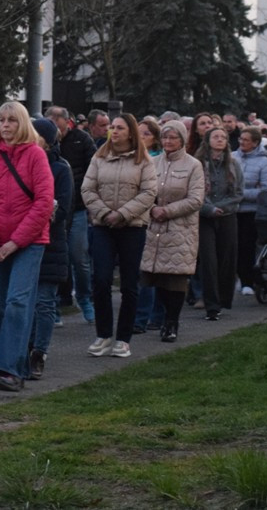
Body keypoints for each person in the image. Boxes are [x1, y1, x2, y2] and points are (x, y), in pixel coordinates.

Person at [0, 103, 53, 391]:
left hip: (29, 242)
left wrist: (15, 241)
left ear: (22, 124)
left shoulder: (36, 156)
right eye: (1, 121)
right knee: (1, 307)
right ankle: (15, 366)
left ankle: (7, 369)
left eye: (11, 121)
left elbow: (43, 202)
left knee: (18, 301)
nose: (5, 126)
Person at [81, 113, 157, 358]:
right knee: (101, 279)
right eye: (112, 127)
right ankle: (103, 334)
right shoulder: (99, 156)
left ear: (130, 131)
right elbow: (87, 188)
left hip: (132, 227)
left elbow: (148, 192)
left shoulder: (143, 161)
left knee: (128, 284)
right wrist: (104, 213)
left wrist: (123, 214)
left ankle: (123, 338)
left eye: (120, 127)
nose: (114, 131)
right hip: (103, 226)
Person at [139, 120, 205, 341]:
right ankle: (158, 318)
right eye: (165, 137)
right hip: (153, 228)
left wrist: (167, 211)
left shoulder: (193, 165)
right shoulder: (152, 162)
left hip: (180, 229)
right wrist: (152, 208)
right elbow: (142, 191)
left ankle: (172, 321)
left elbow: (196, 199)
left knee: (174, 279)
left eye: (173, 138)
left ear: (182, 140)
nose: (167, 142)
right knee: (156, 275)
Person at [27, 117, 72, 382]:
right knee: (26, 301)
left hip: (50, 243)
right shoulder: (22, 162)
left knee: (44, 302)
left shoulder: (60, 168)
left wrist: (36, 213)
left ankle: (38, 353)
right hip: (23, 242)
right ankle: (24, 346)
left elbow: (62, 210)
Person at [46, 106, 96, 323]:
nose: (55, 128)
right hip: (53, 211)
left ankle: (85, 297)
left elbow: (93, 170)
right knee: (56, 258)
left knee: (79, 257)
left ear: (67, 122)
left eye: (57, 123)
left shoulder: (82, 140)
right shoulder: (45, 146)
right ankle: (54, 304)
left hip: (76, 208)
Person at [196, 127, 243, 320]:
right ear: (208, 140)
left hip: (227, 216)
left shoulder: (233, 164)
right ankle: (212, 306)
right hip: (205, 217)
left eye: (223, 137)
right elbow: (195, 191)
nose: (220, 139)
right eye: (216, 136)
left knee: (226, 259)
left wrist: (220, 208)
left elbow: (238, 193)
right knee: (208, 261)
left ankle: (223, 299)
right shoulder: (198, 164)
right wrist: (209, 209)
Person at [233, 126, 267, 296]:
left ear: (255, 143)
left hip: (250, 211)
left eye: (246, 140)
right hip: (232, 209)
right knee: (232, 247)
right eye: (240, 139)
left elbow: (264, 189)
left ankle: (247, 280)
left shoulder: (264, 162)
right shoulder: (233, 157)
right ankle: (235, 278)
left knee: (247, 246)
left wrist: (240, 194)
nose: (242, 142)